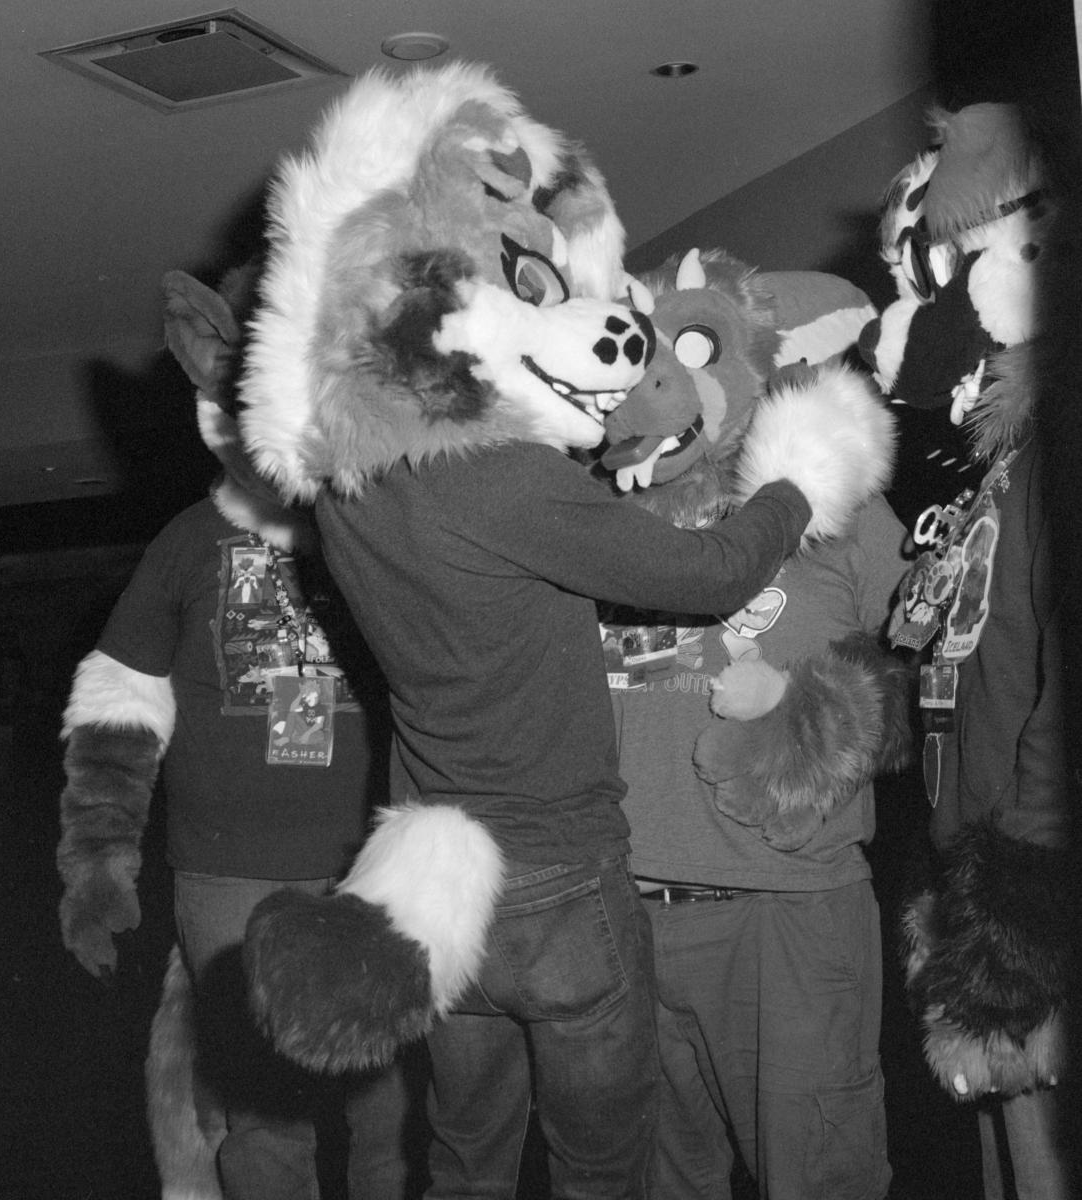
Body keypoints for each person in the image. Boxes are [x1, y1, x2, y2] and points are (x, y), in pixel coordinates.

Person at [233, 65, 894, 1200]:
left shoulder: (349, 493)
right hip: (562, 881)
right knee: (604, 1167)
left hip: (443, 895)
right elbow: (713, 574)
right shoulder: (503, 480)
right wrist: (798, 473)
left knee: (467, 1155)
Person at [56, 267, 423, 1200]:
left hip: (374, 868)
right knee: (263, 1111)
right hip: (226, 875)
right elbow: (120, 705)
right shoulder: (188, 542)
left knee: (386, 1106)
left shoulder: (395, 524)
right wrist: (98, 858)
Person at [596, 247, 909, 1200]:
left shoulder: (834, 503)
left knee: (816, 1174)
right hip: (619, 915)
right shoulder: (592, 517)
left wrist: (803, 708)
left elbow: (932, 679)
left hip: (784, 906)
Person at [862, 102, 1079, 1200]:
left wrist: (1021, 894)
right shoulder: (998, 460)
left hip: (1027, 885)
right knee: (1003, 1154)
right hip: (972, 861)